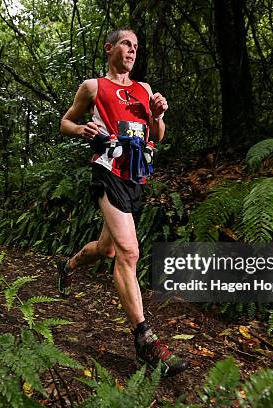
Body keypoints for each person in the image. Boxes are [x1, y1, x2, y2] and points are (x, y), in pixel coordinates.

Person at [57, 28, 189, 377]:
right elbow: (65, 121)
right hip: (107, 171)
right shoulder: (93, 87)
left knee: (109, 249)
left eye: (136, 46)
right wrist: (80, 130)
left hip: (135, 176)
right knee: (129, 252)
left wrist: (159, 115)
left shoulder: (144, 90)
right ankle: (145, 340)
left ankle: (69, 265)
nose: (132, 50)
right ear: (110, 47)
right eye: (127, 44)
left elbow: (157, 136)